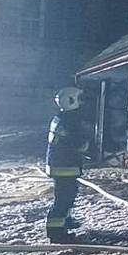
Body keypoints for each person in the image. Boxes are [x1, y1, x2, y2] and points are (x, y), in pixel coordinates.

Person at [45, 86, 89, 243]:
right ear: (71, 100)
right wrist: (88, 147)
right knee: (63, 200)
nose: (82, 103)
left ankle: (65, 221)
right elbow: (78, 144)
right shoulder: (70, 121)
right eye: (80, 99)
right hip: (65, 167)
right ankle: (56, 232)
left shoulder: (61, 117)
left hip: (60, 165)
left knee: (68, 196)